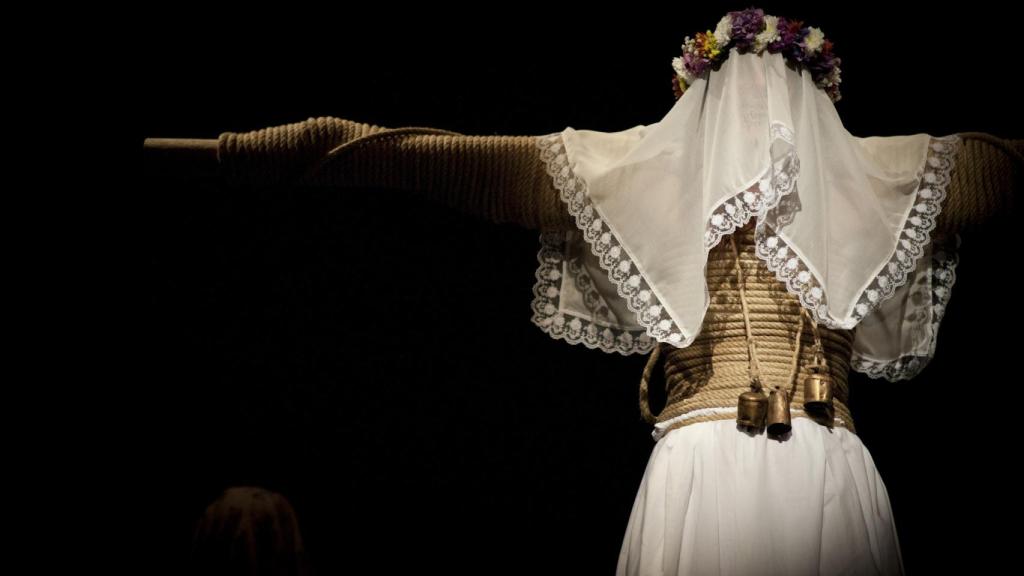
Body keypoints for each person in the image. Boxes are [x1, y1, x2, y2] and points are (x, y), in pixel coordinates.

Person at [196, 10, 1019, 576]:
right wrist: (278, 151)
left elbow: (404, 152)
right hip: (751, 458)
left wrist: (285, 151)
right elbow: (428, 156)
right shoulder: (855, 187)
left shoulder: (875, 186)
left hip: (768, 462)